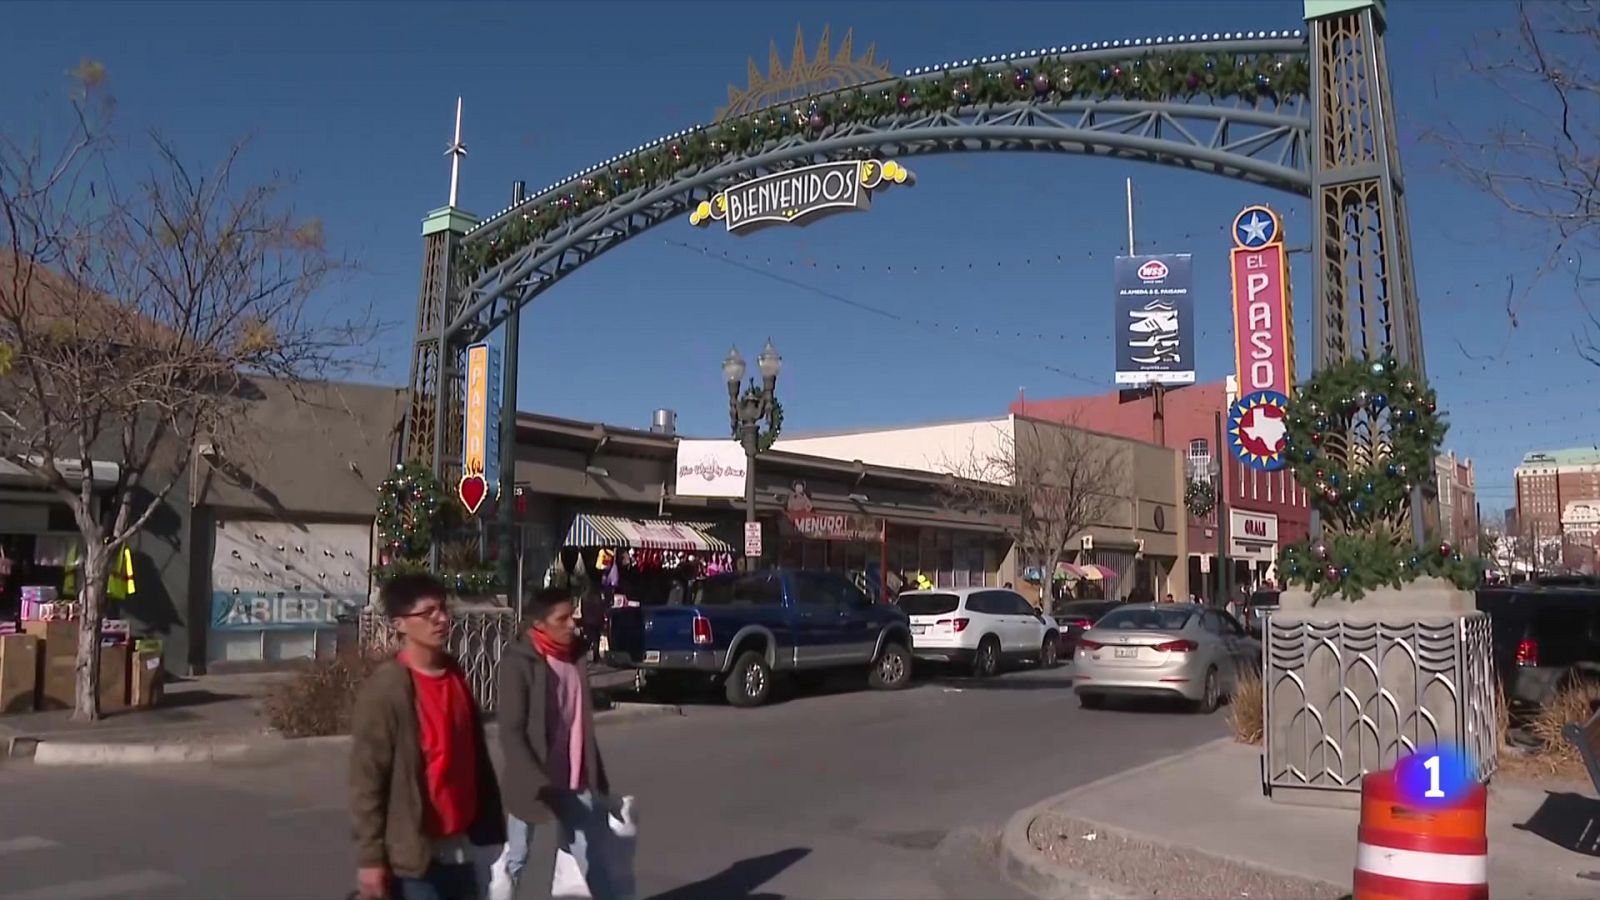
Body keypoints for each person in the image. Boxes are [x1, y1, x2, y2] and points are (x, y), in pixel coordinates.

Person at [350, 573, 505, 900]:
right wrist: (371, 860)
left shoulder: (455, 675)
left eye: (443, 608)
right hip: (415, 861)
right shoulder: (388, 689)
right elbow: (367, 780)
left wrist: (490, 830)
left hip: (462, 849)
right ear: (400, 624)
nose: (441, 618)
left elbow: (476, 758)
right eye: (428, 612)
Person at [499, 587, 622, 900]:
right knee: (517, 856)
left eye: (573, 615)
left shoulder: (576, 655)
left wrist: (599, 776)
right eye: (562, 618)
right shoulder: (520, 661)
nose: (572, 624)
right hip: (533, 779)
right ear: (539, 624)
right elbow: (512, 730)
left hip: (574, 776)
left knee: (589, 855)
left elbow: (581, 723)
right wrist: (531, 777)